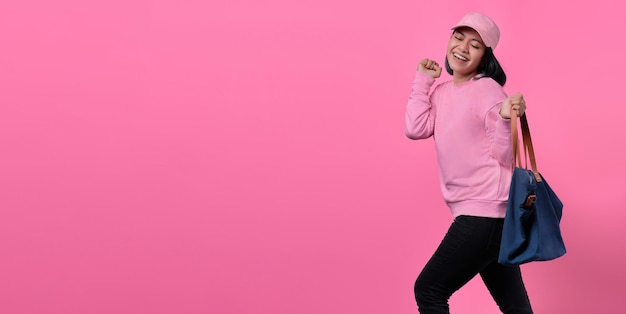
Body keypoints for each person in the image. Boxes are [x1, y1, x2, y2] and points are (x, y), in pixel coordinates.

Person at [405, 12, 533, 314]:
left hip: (485, 213)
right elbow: (415, 128)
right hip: (485, 217)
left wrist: (504, 118)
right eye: (458, 37)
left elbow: (504, 156)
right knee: (516, 308)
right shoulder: (442, 93)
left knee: (429, 290)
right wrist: (423, 80)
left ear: (486, 56)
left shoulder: (487, 89)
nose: (462, 47)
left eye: (475, 44)